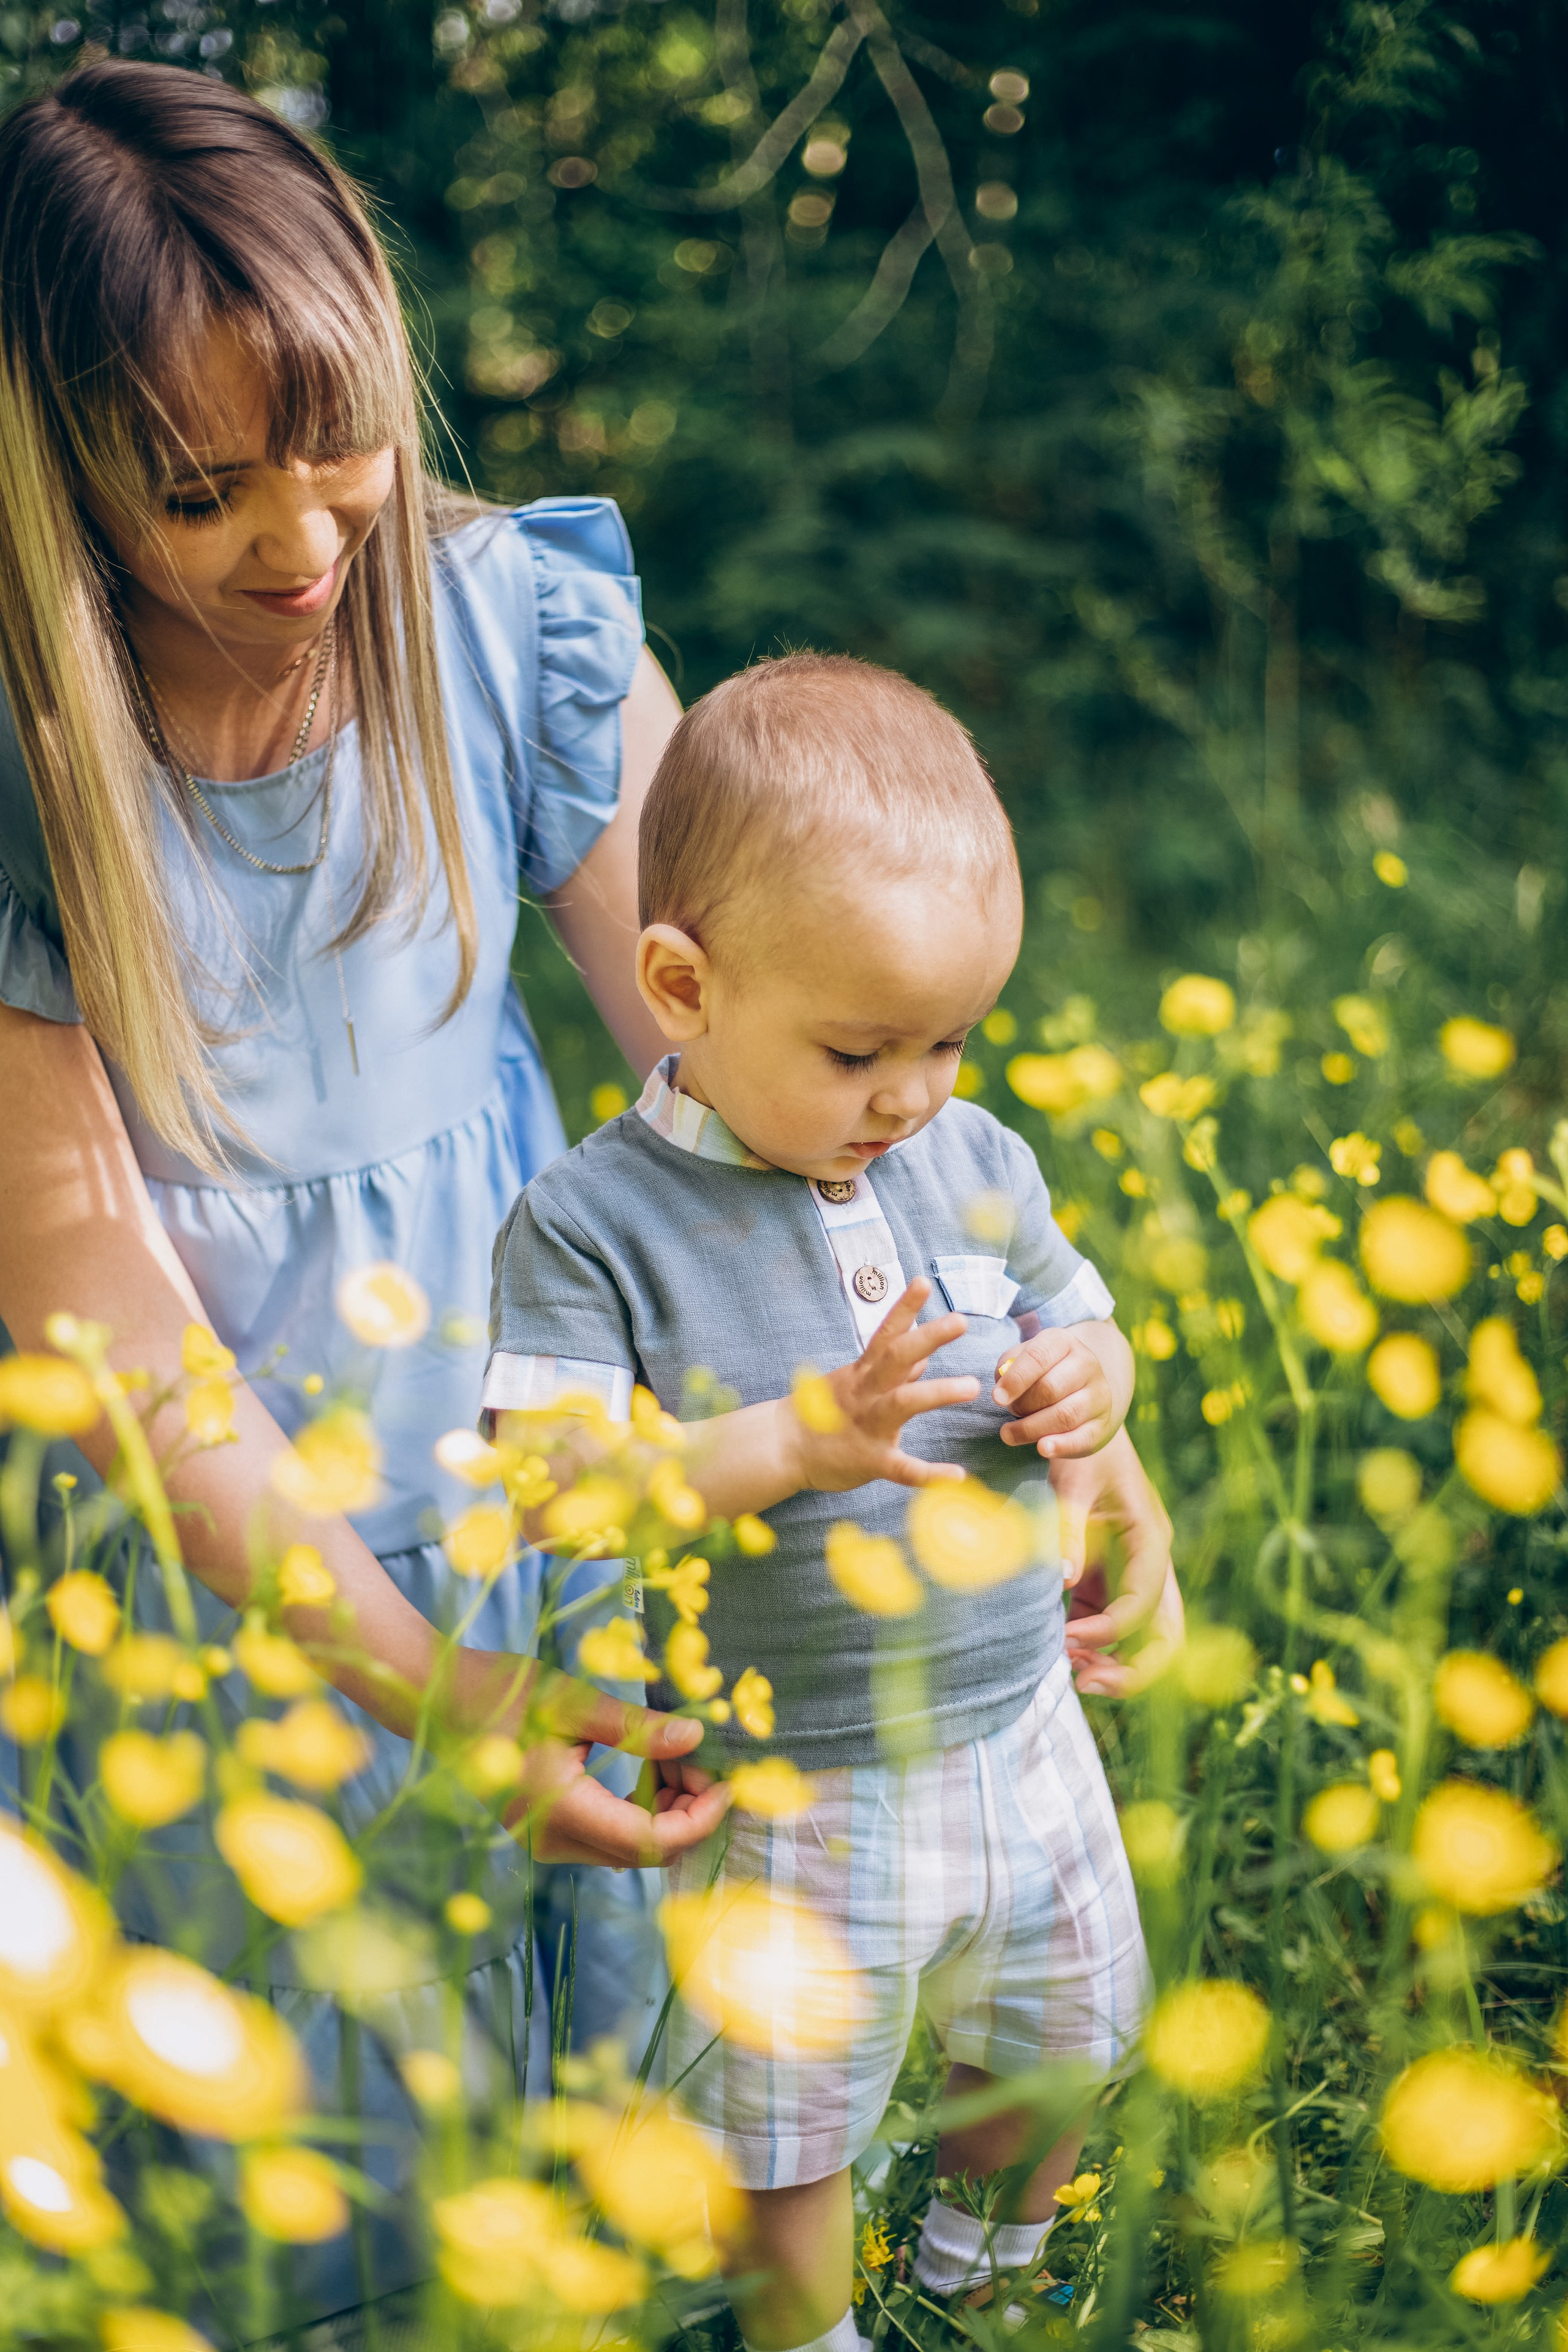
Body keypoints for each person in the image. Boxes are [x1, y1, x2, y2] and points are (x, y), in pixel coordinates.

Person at [0, 60, 726, 2336]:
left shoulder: (514, 629)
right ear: (54, 465)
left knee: (614, 2148)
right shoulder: (34, 768)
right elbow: (108, 1327)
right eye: (201, 491)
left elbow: (757, 1080)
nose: (307, 545)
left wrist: (1014, 1376)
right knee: (320, 2184)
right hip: (226, 1580)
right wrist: (428, 1690)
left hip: (543, 1494)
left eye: (342, 451)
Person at [488, 654, 1156, 2351]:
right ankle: (805, 2333)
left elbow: (1077, 1319)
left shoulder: (970, 1157)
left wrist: (1095, 1387)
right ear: (682, 985)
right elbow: (561, 1492)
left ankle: (982, 2277)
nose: (915, 1091)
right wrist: (794, 1440)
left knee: (1066, 2022)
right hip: (804, 1778)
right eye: (862, 1048)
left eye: (950, 1039)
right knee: (784, 2116)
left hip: (1016, 1721)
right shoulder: (590, 1228)